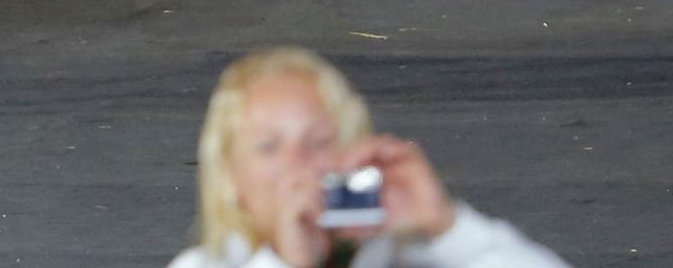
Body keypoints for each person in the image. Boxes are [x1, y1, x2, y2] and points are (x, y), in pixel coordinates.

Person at [170, 49, 577, 268]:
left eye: (319, 141)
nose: (298, 164)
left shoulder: (409, 259)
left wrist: (448, 227)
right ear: (231, 180)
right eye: (268, 146)